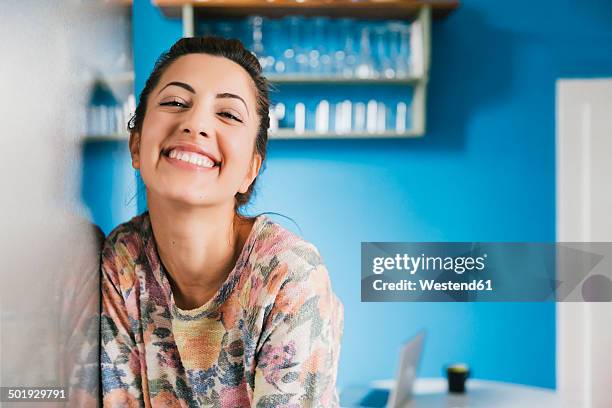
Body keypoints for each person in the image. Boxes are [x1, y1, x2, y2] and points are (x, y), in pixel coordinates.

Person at [100, 36, 344, 407]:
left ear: (249, 170)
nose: (195, 123)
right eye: (175, 102)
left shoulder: (288, 276)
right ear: (136, 145)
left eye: (228, 114)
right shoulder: (124, 260)